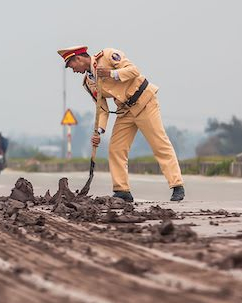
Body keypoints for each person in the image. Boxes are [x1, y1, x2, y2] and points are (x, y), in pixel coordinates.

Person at [58, 45, 185, 202]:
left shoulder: (107, 56)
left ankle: (177, 185)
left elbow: (134, 70)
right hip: (124, 110)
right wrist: (98, 131)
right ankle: (122, 190)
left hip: (144, 101)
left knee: (159, 144)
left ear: (78, 58)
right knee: (116, 148)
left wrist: (112, 73)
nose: (73, 70)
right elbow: (102, 108)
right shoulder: (88, 83)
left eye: (72, 66)